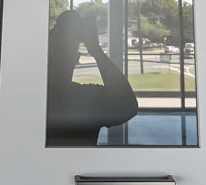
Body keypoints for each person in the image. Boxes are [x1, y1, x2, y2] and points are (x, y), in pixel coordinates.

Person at [46, 10, 138, 146]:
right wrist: (95, 49)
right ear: (76, 58)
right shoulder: (86, 98)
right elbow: (127, 105)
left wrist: (55, 35)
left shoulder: (27, 93)